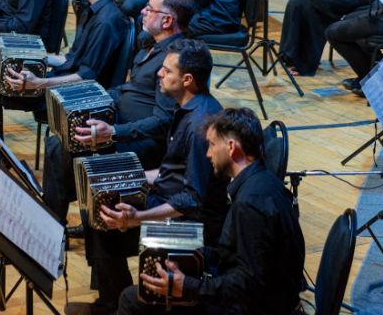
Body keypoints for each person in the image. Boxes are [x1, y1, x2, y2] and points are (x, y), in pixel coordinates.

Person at [66, 39, 228, 315]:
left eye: (166, 71)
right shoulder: (187, 109)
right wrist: (129, 176)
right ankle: (113, 301)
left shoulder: (201, 125)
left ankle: (119, 304)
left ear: (187, 79)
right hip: (168, 195)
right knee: (99, 203)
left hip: (189, 221)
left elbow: (192, 198)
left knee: (106, 223)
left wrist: (137, 218)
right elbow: (171, 173)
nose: (159, 74)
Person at [0, 0, 128, 182]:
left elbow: (87, 76)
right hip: (66, 81)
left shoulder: (107, 21)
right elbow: (71, 61)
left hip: (78, 96)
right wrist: (37, 57)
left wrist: (40, 82)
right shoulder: (92, 9)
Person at [118, 107, 305, 315]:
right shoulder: (263, 181)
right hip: (261, 297)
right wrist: (186, 251)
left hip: (257, 307)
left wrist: (189, 287)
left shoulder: (250, 203)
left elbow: (249, 283)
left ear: (232, 147)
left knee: (132, 300)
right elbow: (235, 256)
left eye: (212, 145)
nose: (207, 153)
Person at [43, 0, 193, 222]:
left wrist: (113, 133)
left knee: (62, 147)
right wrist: (93, 95)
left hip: (141, 141)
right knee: (61, 136)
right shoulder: (150, 45)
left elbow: (163, 122)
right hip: (122, 124)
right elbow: (130, 90)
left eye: (149, 9)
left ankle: (57, 222)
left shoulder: (174, 60)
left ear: (167, 20)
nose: (143, 11)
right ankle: (68, 217)